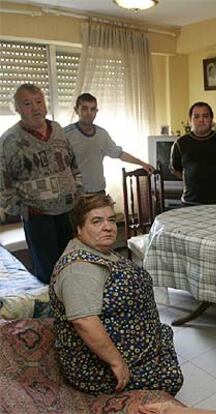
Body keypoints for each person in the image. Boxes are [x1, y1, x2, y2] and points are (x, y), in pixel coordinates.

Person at [49, 193, 183, 395]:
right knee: (170, 376)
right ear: (78, 228)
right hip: (96, 366)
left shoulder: (98, 250)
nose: (108, 226)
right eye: (97, 221)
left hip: (131, 344)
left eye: (111, 219)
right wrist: (117, 362)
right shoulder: (78, 270)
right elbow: (84, 321)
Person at [0, 83, 82, 283]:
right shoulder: (9, 140)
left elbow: (72, 163)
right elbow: (3, 182)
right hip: (38, 218)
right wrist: (21, 208)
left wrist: (79, 189)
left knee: (73, 265)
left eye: (39, 102)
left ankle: (77, 310)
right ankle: (53, 313)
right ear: (17, 109)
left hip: (68, 212)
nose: (35, 108)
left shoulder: (58, 129)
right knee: (48, 273)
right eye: (27, 103)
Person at [64, 93, 154, 194]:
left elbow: (119, 154)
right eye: (84, 108)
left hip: (98, 191)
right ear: (76, 110)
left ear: (96, 111)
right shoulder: (65, 134)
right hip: (76, 194)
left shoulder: (102, 134)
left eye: (93, 109)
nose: (89, 113)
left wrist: (142, 164)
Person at [170, 102, 216, 205]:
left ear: (211, 119)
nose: (201, 120)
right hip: (190, 202)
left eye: (205, 116)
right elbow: (176, 169)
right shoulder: (180, 143)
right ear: (190, 120)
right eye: (196, 117)